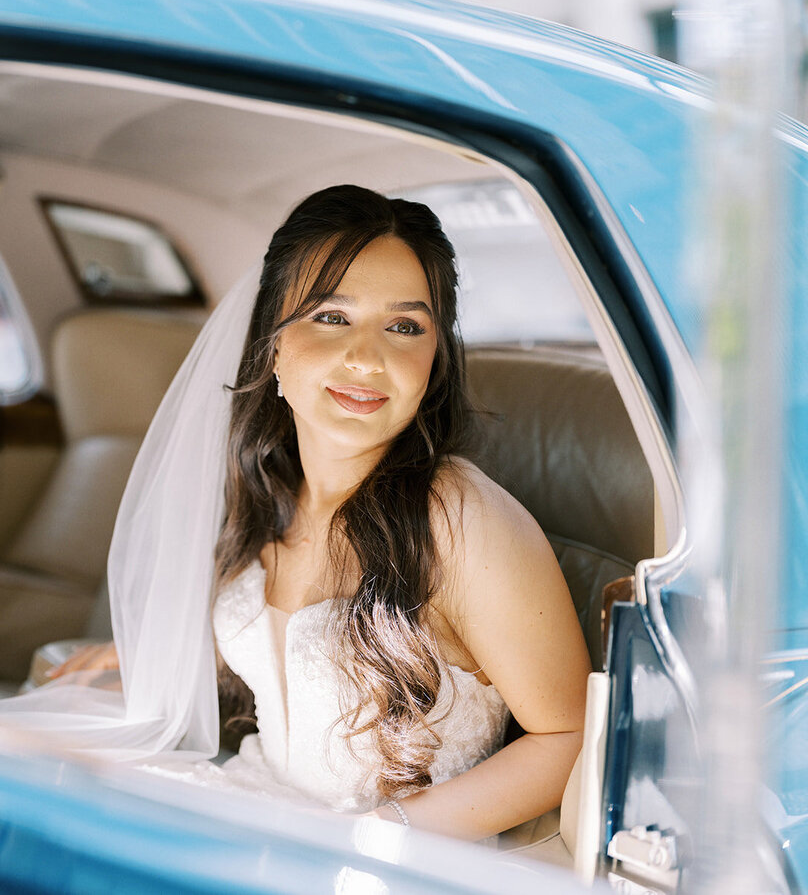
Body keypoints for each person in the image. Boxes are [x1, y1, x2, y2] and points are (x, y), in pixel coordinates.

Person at [44, 185, 591, 842]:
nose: (368, 357)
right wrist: (139, 657)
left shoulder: (458, 517)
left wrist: (377, 839)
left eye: (405, 326)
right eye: (332, 316)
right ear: (273, 343)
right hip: (247, 805)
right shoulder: (270, 492)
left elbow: (568, 734)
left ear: (433, 360)